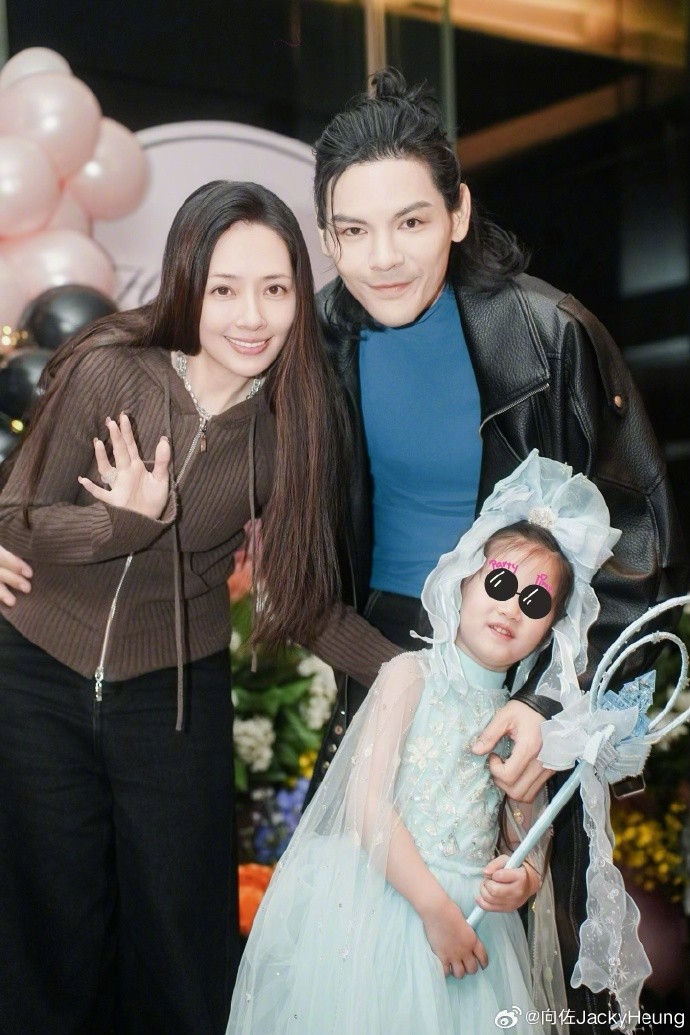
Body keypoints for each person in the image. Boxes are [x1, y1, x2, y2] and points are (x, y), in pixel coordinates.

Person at [305, 68, 689, 1031]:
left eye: (411, 221)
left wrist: (551, 712)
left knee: (511, 935)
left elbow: (637, 552)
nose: (383, 258)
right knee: (363, 947)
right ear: (328, 237)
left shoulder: (549, 333)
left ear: (458, 211)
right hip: (382, 661)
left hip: (519, 656)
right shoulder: (316, 339)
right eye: (353, 230)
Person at [0, 180, 398, 1035]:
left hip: (173, 694)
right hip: (35, 676)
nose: (252, 316)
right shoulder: (110, 369)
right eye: (225, 289)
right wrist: (120, 525)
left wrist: (404, 669)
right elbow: (15, 518)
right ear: (188, 284)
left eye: (275, 288)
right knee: (48, 936)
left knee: (182, 942)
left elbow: (302, 597)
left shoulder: (294, 423)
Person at [228, 453, 621, 1035]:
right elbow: (366, 805)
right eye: (500, 583)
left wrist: (525, 878)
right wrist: (436, 911)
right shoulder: (408, 676)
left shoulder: (520, 722)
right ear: (464, 580)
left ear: (549, 631)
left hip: (475, 925)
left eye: (535, 602)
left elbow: (525, 831)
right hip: (383, 904)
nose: (511, 606)